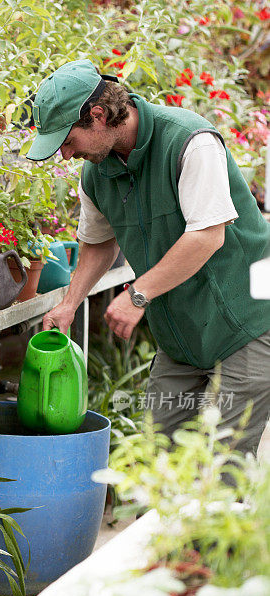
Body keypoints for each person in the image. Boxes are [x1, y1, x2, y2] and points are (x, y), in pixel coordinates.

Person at [26, 59, 270, 456]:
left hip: (247, 325)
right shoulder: (96, 173)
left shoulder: (190, 141)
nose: (65, 154)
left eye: (67, 140)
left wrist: (137, 294)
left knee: (223, 468)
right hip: (181, 338)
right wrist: (69, 303)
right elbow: (99, 243)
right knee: (158, 461)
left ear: (99, 115)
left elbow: (207, 236)